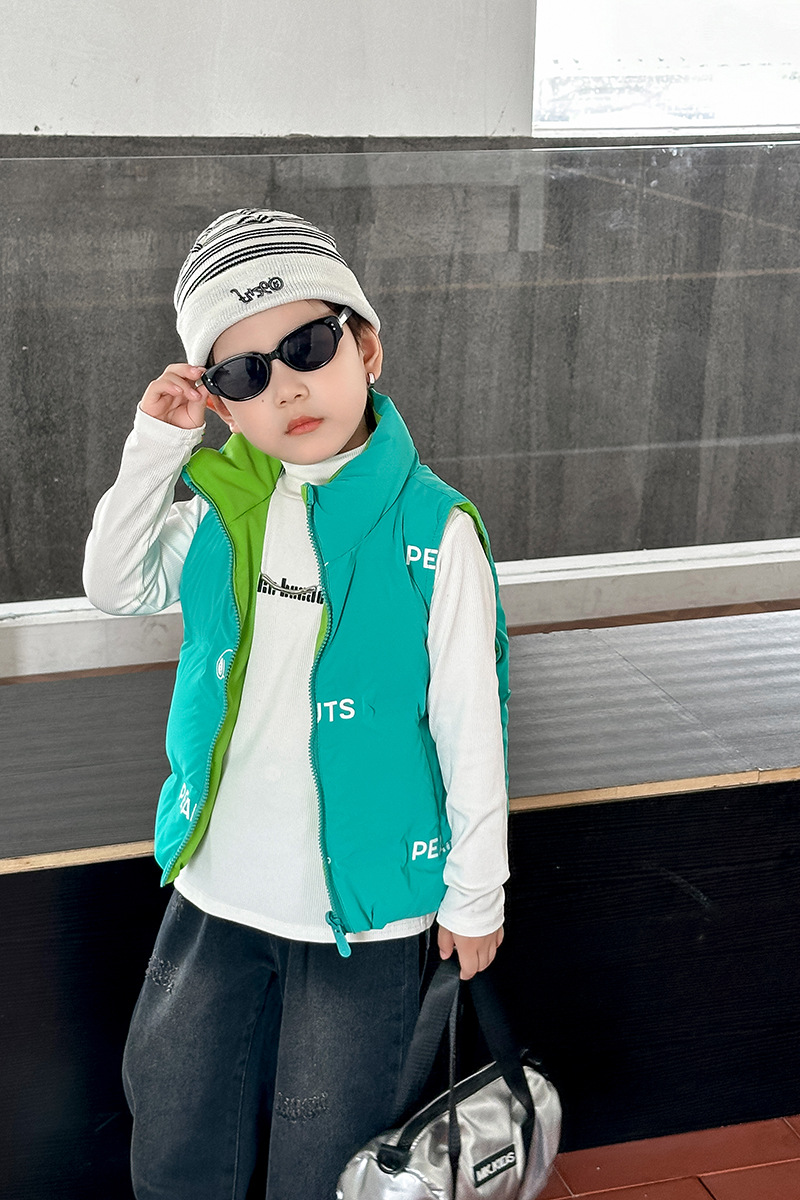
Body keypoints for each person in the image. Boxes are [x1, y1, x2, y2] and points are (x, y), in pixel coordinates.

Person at [83, 208, 510, 1200]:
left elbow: (471, 719)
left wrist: (476, 891)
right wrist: (158, 443)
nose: (286, 386)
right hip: (218, 878)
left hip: (368, 905)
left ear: (365, 347)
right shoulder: (220, 512)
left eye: (308, 346)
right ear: (223, 405)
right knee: (175, 1116)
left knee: (331, 1148)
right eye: (244, 374)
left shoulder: (436, 531)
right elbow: (113, 583)